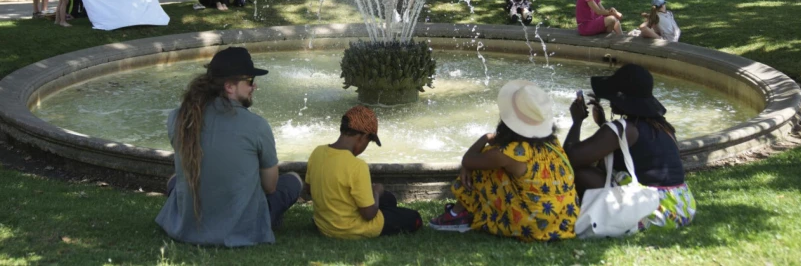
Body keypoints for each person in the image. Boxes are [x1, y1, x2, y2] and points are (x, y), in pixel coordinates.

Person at [156, 47, 303, 247]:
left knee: (174, 180)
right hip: (240, 228)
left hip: (186, 227)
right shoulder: (257, 126)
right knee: (293, 180)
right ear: (229, 87)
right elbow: (270, 186)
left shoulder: (178, 117)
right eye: (249, 81)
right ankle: (266, 220)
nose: (254, 86)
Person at [430, 80, 579, 241]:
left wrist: (485, 138)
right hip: (566, 221)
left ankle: (457, 214)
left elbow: (468, 160)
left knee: (485, 161)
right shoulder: (553, 143)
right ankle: (462, 211)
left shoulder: (511, 153)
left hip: (533, 227)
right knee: (490, 160)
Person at [563, 64, 696, 231]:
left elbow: (568, 159)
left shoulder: (624, 129)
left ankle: (573, 213)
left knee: (579, 172)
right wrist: (603, 124)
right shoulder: (663, 126)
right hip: (680, 207)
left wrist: (577, 121)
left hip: (651, 212)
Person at [305, 105, 422, 239]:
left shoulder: (317, 152)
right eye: (369, 141)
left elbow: (309, 190)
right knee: (415, 218)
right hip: (350, 229)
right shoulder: (357, 166)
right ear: (363, 137)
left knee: (389, 199)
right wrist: (376, 192)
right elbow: (369, 214)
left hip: (324, 224)